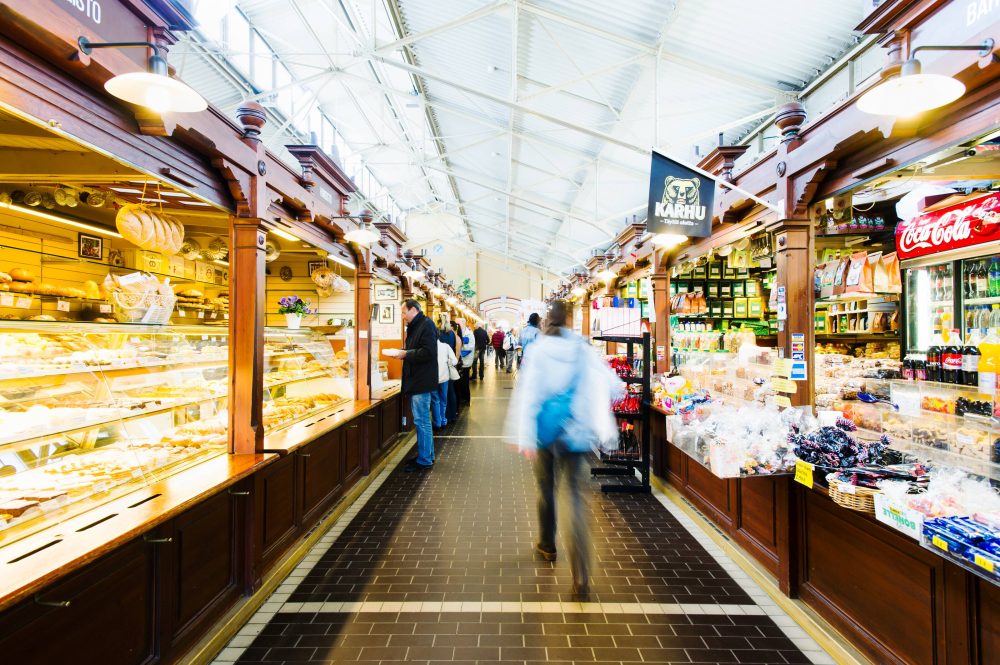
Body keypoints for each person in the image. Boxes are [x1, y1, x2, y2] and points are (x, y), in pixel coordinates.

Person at [506, 300, 624, 596]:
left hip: (545, 434)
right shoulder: (583, 350)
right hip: (578, 434)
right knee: (575, 498)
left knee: (545, 488)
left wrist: (524, 435)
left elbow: (528, 392)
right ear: (569, 320)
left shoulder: (539, 350)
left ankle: (547, 545)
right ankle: (581, 574)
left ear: (547, 321)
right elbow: (612, 385)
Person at [385, 299, 438, 472]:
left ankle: (425, 459)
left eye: (403, 312)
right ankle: (426, 455)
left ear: (414, 310)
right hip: (417, 380)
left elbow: (428, 352)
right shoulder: (418, 325)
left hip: (420, 381)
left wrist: (405, 354)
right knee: (422, 420)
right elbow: (417, 348)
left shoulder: (426, 325)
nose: (402, 316)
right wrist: (403, 352)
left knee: (422, 421)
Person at [431, 335, 458, 430]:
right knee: (443, 400)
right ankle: (443, 420)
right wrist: (448, 362)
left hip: (432, 378)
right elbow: (455, 361)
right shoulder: (446, 346)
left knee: (435, 401)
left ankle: (437, 423)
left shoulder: (428, 347)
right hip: (444, 377)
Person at [440, 320, 459, 424]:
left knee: (442, 395)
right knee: (451, 392)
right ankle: (452, 414)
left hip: (442, 367)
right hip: (450, 365)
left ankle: (444, 416)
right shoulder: (452, 334)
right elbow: (454, 348)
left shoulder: (440, 335)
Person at [455, 318, 475, 406]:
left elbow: (469, 347)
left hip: (466, 362)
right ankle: (461, 397)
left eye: (457, 323)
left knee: (464, 381)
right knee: (459, 381)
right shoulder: (458, 332)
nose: (456, 325)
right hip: (459, 361)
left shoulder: (469, 334)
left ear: (462, 323)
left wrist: (458, 355)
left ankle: (466, 399)